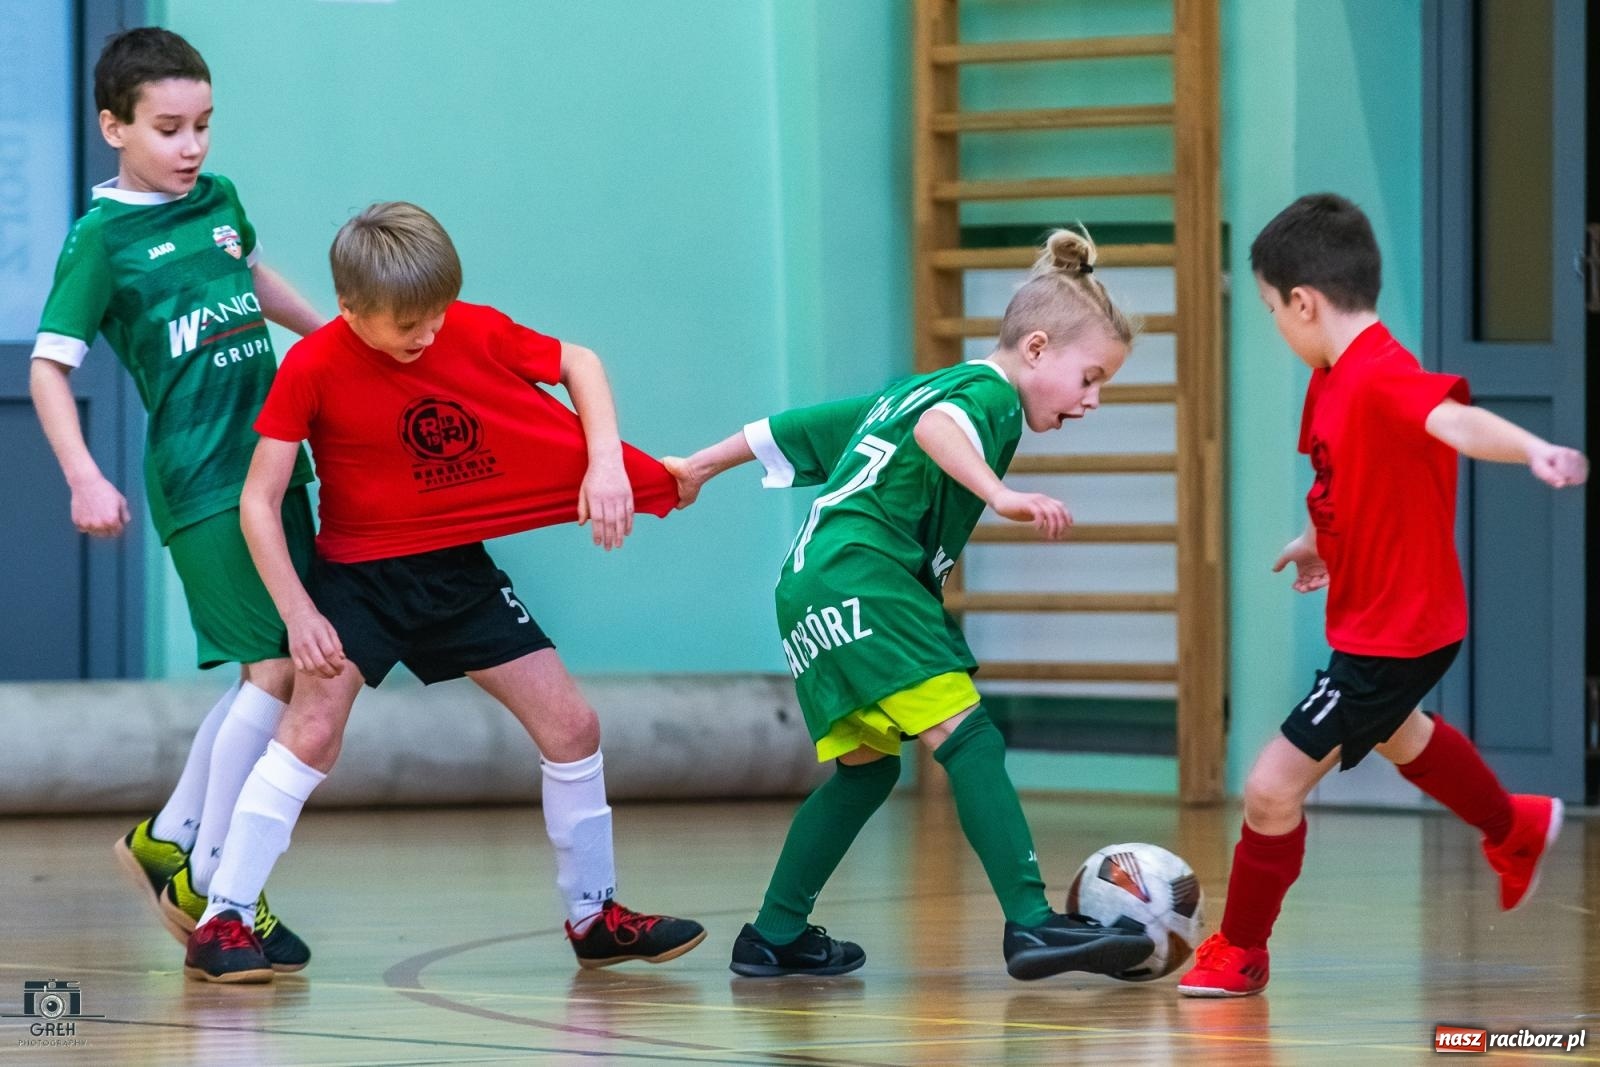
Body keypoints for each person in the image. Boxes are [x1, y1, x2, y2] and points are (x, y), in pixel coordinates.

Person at [181, 201, 705, 982]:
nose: (427, 334)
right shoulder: (312, 366)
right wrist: (299, 612)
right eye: (407, 326)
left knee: (572, 724)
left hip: (456, 571)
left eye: (436, 315)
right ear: (351, 308)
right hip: (360, 578)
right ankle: (223, 916)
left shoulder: (468, 325)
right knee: (314, 726)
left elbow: (580, 363)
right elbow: (259, 501)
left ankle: (595, 915)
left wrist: (604, 464)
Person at [664, 228, 1156, 981]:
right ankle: (1031, 923)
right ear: (1035, 349)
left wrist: (697, 466)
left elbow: (794, 430)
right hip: (866, 578)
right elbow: (940, 432)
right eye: (1090, 378)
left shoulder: (911, 388)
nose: (1092, 400)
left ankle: (773, 933)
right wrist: (1000, 493)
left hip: (807, 586)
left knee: (866, 772)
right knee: (972, 739)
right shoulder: (986, 397)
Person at [1178, 193, 1589, 998]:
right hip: (1382, 620)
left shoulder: (1381, 374)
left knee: (1269, 788)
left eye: (1270, 308)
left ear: (1304, 301)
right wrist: (1316, 540)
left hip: (1396, 632)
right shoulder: (1329, 378)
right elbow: (1336, 479)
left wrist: (1533, 448)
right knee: (1402, 736)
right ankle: (1515, 826)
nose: (1274, 323)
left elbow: (1455, 422)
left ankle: (1240, 949)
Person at [29, 27, 322, 970]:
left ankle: (174, 840)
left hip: (277, 464)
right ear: (115, 127)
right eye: (168, 128)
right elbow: (47, 367)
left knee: (270, 673)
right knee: (278, 670)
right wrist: (82, 472)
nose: (191, 147)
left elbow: (253, 276)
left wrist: (334, 339)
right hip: (201, 481)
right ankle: (204, 873)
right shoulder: (100, 240)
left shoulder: (220, 200)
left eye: (203, 125)